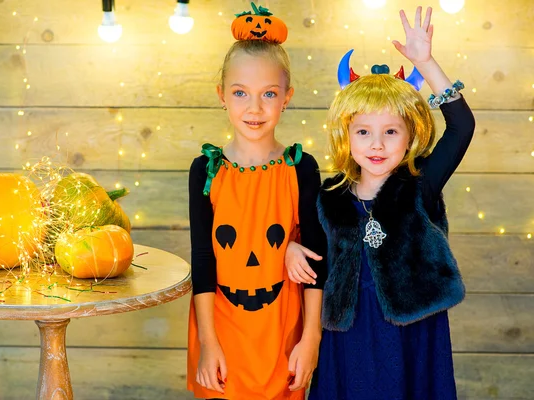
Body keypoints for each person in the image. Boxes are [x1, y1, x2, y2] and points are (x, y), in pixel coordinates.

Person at [287, 6, 476, 399]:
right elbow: (317, 263)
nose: (376, 144)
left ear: (410, 135)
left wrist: (425, 61)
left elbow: (461, 127)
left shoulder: (420, 184)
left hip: (412, 328)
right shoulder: (329, 196)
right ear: (347, 135)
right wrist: (290, 246)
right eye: (364, 131)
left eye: (391, 131)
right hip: (348, 332)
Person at [186, 3, 328, 399]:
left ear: (287, 97)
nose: (254, 108)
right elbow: (203, 258)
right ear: (222, 96)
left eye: (268, 93)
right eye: (240, 93)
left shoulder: (301, 168)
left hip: (282, 334)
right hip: (221, 331)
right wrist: (208, 342)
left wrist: (311, 337)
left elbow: (319, 256)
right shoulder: (206, 170)